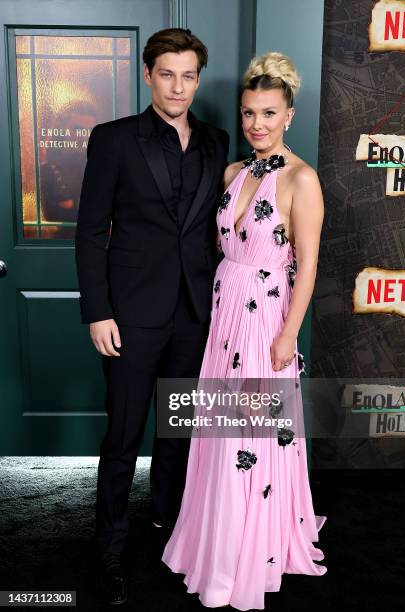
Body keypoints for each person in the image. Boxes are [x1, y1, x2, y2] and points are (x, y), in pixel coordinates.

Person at [162, 51, 327, 610]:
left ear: (289, 115)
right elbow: (220, 246)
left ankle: (247, 550)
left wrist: (289, 335)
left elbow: (307, 267)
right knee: (219, 433)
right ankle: (216, 537)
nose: (257, 124)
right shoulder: (234, 172)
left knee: (250, 438)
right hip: (224, 317)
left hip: (266, 320)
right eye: (249, 113)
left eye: (268, 113)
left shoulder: (302, 180)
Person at [74, 28, 229, 606]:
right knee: (122, 438)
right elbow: (90, 233)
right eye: (168, 74)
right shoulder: (113, 140)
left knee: (179, 433)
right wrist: (98, 312)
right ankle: (109, 552)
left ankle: (171, 531)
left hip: (196, 315)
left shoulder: (216, 141)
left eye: (189, 76)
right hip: (131, 317)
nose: (179, 87)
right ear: (148, 75)